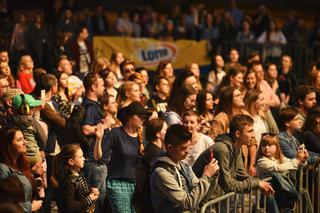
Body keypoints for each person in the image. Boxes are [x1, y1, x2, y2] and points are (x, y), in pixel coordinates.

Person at [193, 115, 274, 197]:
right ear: (238, 134)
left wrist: (261, 185)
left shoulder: (237, 147)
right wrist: (257, 184)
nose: (253, 135)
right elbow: (228, 185)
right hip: (199, 199)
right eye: (250, 131)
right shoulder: (222, 150)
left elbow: (242, 176)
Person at [96, 101, 152, 213]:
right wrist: (99, 139)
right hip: (118, 183)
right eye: (140, 116)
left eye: (144, 116)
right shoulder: (116, 134)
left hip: (137, 185)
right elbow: (98, 157)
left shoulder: (143, 136)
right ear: (130, 117)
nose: (143, 119)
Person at [150, 124, 219, 213]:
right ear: (170, 148)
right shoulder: (161, 173)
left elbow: (202, 197)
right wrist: (206, 175)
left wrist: (212, 177)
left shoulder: (184, 166)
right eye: (183, 148)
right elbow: (188, 203)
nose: (187, 150)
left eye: (189, 147)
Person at [255, 133, 306, 211]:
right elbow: (279, 168)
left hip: (279, 194)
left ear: (276, 146)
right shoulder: (261, 161)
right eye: (264, 145)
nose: (266, 148)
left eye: (270, 145)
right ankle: (293, 194)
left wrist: (302, 159)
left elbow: (291, 162)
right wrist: (297, 160)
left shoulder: (280, 157)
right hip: (266, 196)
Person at [0, 127, 43, 212]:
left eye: (24, 138)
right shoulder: (2, 169)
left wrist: (31, 175)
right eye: (19, 140)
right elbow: (4, 204)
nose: (25, 142)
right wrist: (30, 207)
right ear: (8, 145)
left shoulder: (21, 164)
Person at [52, 144, 100, 213]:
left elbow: (79, 195)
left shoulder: (79, 173)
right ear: (71, 161)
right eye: (80, 157)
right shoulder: (67, 181)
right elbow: (69, 207)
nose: (84, 159)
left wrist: (90, 192)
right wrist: (89, 199)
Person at [133, 118, 167, 213]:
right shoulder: (156, 153)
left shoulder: (151, 149)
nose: (167, 132)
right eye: (165, 130)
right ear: (157, 134)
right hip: (148, 201)